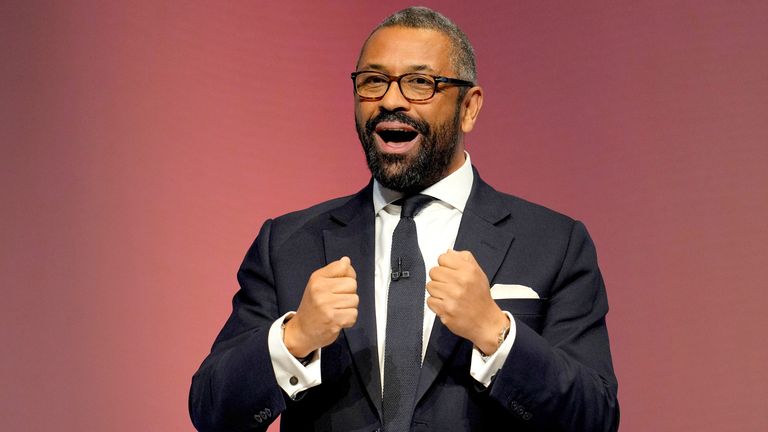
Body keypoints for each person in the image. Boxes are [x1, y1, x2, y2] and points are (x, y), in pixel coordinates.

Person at [190, 6, 619, 432]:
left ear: (469, 107)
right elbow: (212, 411)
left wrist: (496, 334)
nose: (391, 101)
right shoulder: (287, 243)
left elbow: (595, 418)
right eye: (373, 82)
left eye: (420, 83)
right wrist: (294, 339)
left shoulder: (555, 243)